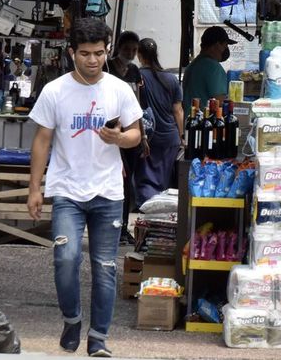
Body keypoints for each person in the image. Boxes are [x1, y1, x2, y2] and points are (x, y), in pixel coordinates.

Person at [27, 18, 142, 357]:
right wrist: (35, 188)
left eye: (99, 53)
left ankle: (98, 338)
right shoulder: (55, 91)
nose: (93, 61)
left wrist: (121, 138)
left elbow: (136, 134)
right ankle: (72, 318)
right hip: (67, 191)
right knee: (66, 257)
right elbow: (42, 140)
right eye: (85, 54)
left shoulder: (120, 89)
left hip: (108, 192)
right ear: (71, 53)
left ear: (107, 50)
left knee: (105, 267)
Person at [106, 31, 146, 245]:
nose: (130, 53)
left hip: (131, 135)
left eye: (134, 50)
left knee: (128, 181)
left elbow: (137, 106)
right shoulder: (107, 68)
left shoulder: (134, 71)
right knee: (117, 180)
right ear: (118, 48)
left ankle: (122, 227)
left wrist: (144, 137)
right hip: (111, 134)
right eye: (126, 49)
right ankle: (112, 227)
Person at [134, 38, 184, 206]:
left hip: (147, 136)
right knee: (164, 179)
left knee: (146, 178)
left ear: (139, 55)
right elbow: (178, 111)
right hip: (170, 138)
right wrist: (181, 136)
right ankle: (160, 213)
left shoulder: (138, 78)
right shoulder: (171, 79)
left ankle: (146, 211)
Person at [182, 26, 236, 116]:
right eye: (225, 45)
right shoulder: (214, 67)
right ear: (217, 45)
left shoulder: (193, 65)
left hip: (190, 123)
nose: (226, 49)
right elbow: (219, 103)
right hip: (205, 125)